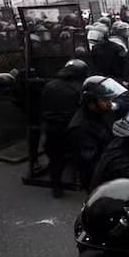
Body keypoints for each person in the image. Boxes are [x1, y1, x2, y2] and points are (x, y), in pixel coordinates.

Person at [67, 76, 127, 190]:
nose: (109, 103)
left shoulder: (101, 113)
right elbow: (92, 164)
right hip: (101, 183)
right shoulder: (80, 128)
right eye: (104, 100)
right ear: (91, 102)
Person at [41, 59, 88, 198]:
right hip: (72, 128)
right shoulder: (80, 87)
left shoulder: (49, 85)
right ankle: (86, 186)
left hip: (52, 128)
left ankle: (56, 188)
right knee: (82, 157)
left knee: (55, 159)